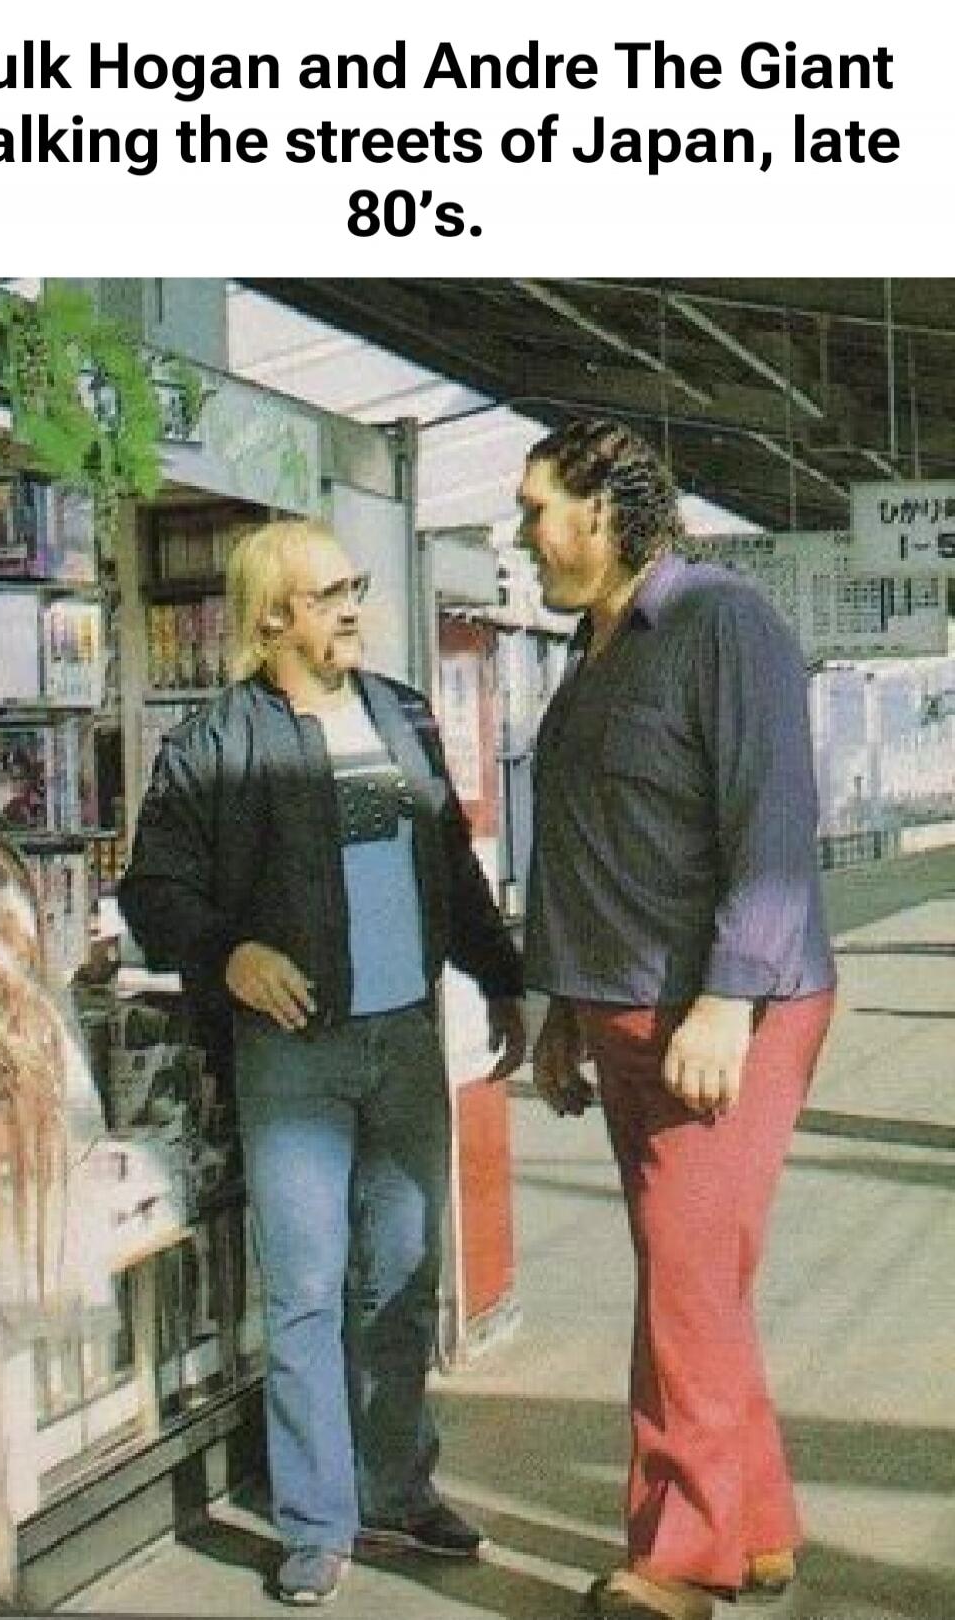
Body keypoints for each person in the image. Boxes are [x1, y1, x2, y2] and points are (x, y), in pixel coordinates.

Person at [119, 519, 525, 1607]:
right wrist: (229, 952)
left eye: (354, 587)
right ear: (272, 618)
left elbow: (448, 862)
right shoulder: (218, 742)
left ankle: (396, 1491)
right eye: (329, 593)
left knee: (400, 1279)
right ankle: (315, 1520)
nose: (354, 607)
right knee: (303, 1292)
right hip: (292, 1057)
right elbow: (152, 893)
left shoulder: (397, 714)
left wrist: (501, 976)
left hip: (403, 1042)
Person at [517, 421, 836, 1620]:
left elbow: (773, 823)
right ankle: (753, 1524)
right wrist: (558, 1004)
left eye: (538, 508)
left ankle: (682, 1559)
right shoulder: (590, 648)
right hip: (621, 1008)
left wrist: (725, 999)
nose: (525, 534)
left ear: (606, 510)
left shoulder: (721, 622)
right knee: (696, 1278)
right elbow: (586, 842)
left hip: (725, 1012)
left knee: (687, 1289)